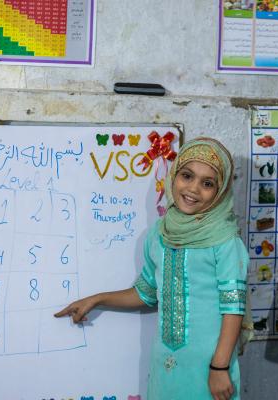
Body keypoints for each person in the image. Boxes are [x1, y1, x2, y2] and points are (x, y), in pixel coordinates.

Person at [55, 138, 250, 400]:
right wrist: (97, 299)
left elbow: (233, 307)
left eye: (207, 183)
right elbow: (147, 293)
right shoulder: (159, 233)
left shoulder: (225, 241)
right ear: (174, 176)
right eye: (186, 176)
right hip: (166, 366)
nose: (193, 188)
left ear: (221, 191)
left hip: (210, 368)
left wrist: (220, 366)